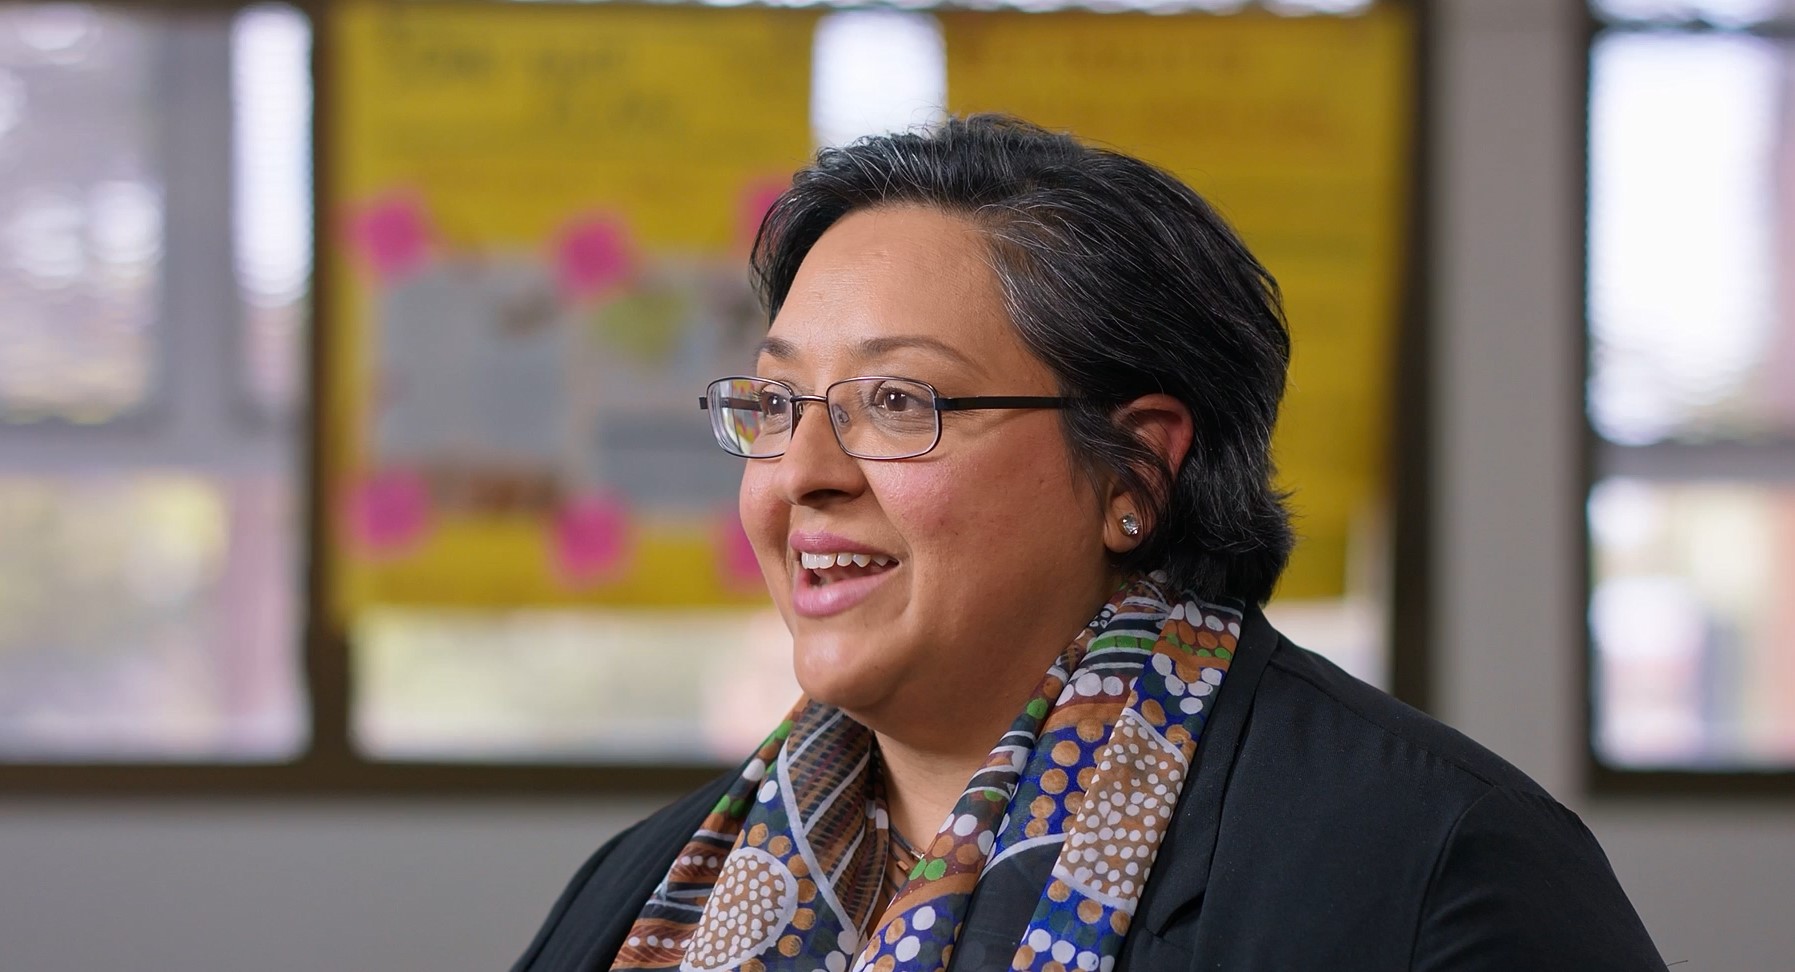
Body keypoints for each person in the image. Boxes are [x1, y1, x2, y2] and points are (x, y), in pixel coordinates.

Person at [513, 115, 1662, 972]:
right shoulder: (647, 888)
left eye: (900, 402)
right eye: (777, 405)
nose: (803, 475)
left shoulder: (1430, 866)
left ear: (1135, 472)